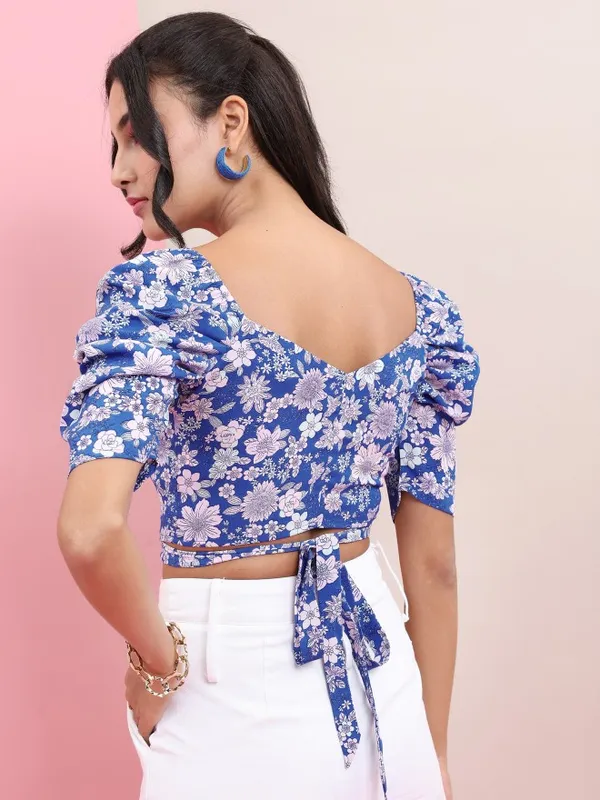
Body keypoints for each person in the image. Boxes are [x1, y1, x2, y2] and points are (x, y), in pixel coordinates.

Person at [56, 11, 480, 800]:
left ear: (231, 121)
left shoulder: (165, 295)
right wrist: (434, 752)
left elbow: (90, 530)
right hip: (387, 686)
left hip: (230, 683)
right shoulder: (420, 311)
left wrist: (157, 662)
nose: (119, 169)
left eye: (136, 135)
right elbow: (435, 567)